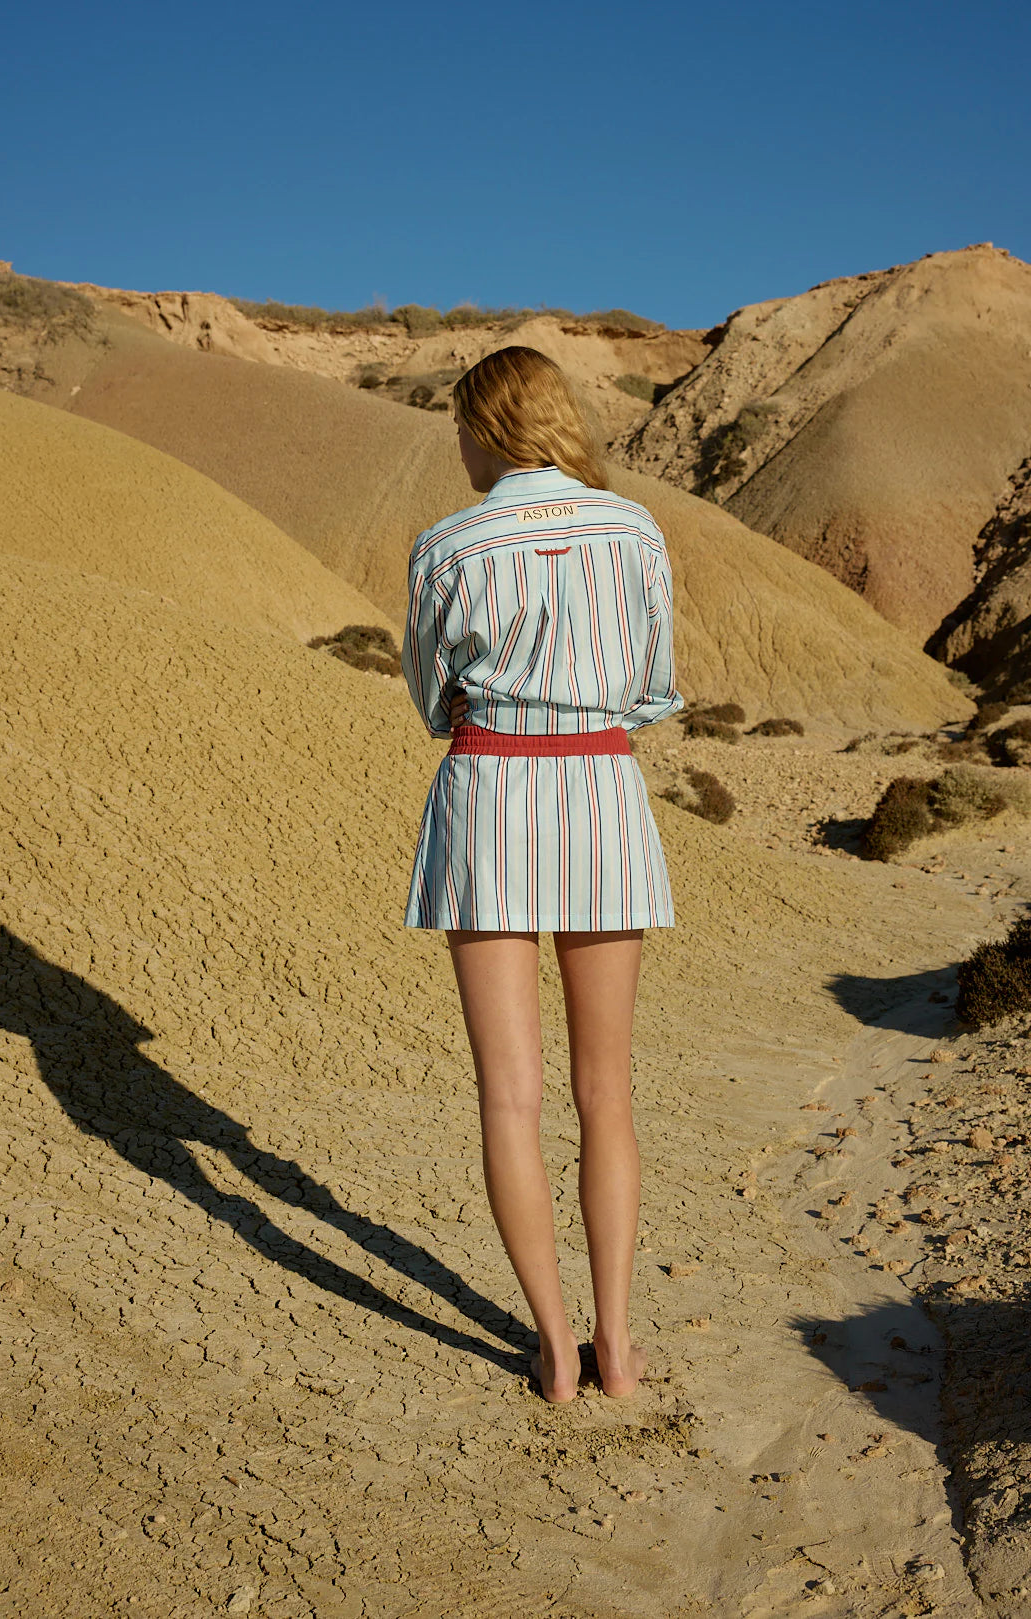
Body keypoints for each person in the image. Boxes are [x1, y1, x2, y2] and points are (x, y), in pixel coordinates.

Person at [401, 346, 683, 1403]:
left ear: (486, 428)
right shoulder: (635, 529)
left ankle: (556, 1351)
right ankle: (619, 1345)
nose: (459, 448)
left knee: (508, 1096)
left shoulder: (446, 545)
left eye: (460, 429)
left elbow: (430, 696)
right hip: (601, 788)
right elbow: (653, 686)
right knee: (606, 1090)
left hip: (489, 791)